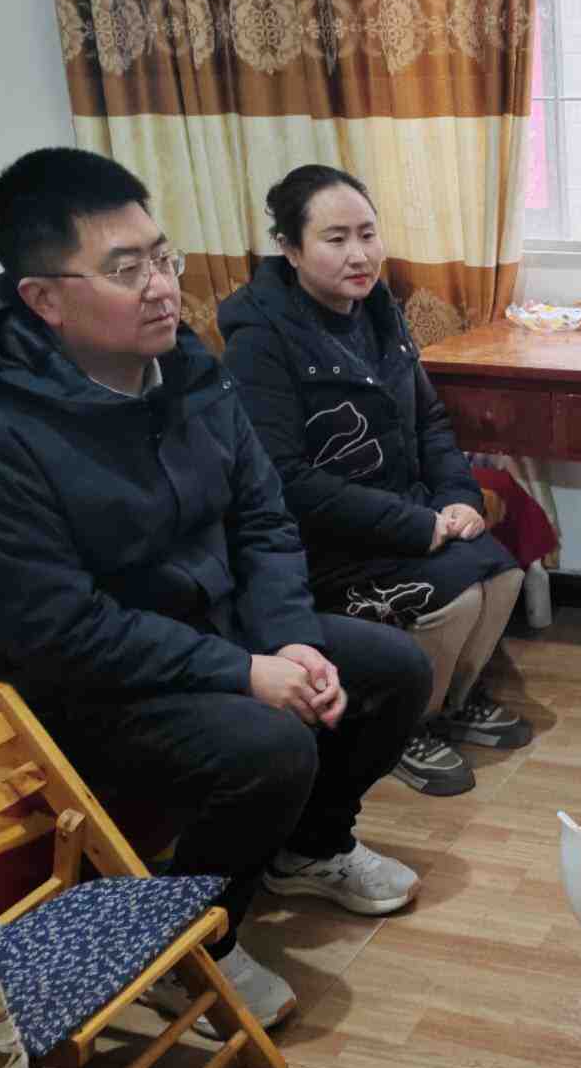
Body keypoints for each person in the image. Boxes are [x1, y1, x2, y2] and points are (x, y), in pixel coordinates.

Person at [0, 148, 434, 1034]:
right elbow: (57, 629)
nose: (163, 287)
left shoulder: (189, 371)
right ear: (45, 299)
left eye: (163, 257)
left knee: (393, 670)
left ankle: (310, 848)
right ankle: (190, 944)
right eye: (126, 270)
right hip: (86, 683)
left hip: (214, 625)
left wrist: (288, 636)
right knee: (273, 744)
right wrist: (244, 674)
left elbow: (262, 517)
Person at [218, 165, 533, 798]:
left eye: (367, 234)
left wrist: (457, 498)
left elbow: (430, 422)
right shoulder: (259, 340)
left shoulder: (380, 310)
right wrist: (417, 525)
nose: (358, 255)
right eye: (335, 239)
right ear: (290, 249)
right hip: (324, 543)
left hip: (402, 515)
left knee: (502, 573)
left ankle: (451, 703)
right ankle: (406, 726)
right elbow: (285, 481)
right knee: (452, 598)